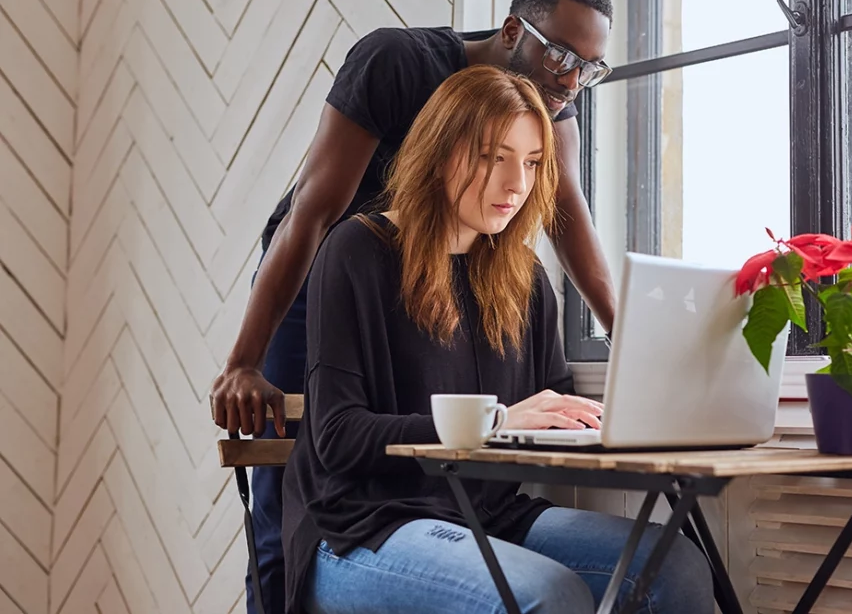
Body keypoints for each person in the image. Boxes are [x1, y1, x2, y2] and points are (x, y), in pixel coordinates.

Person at [209, 0, 622, 613]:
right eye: (562, 56)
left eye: (590, 68)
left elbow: (571, 226)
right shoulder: (399, 63)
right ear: (515, 30)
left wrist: (632, 344)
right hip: (331, 272)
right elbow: (312, 214)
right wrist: (244, 361)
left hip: (454, 284)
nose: (572, 79)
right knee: (292, 503)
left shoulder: (553, 111)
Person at [281, 64, 713, 614]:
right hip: (362, 526)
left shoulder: (525, 278)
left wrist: (631, 420)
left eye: (532, 163)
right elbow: (338, 437)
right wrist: (500, 421)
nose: (517, 184)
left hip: (490, 515)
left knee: (673, 567)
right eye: (493, 157)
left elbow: (554, 407)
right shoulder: (357, 252)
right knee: (546, 594)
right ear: (441, 153)